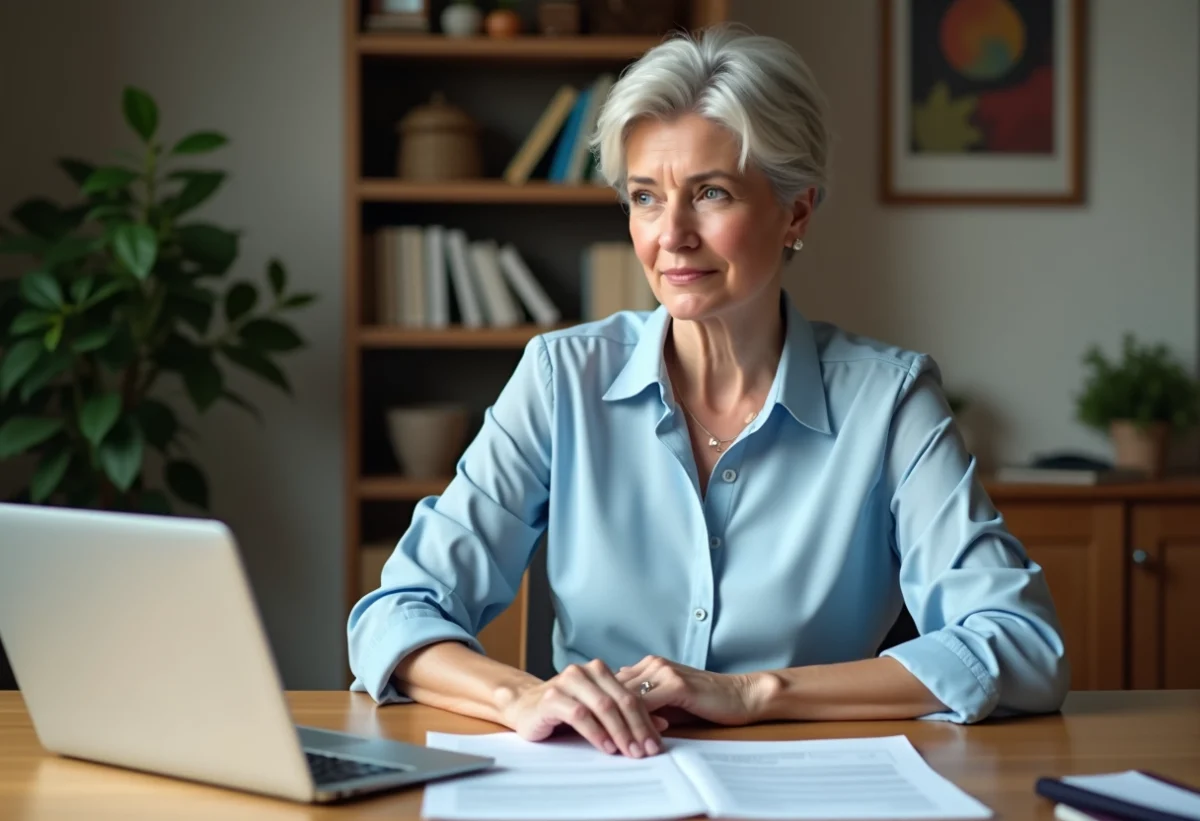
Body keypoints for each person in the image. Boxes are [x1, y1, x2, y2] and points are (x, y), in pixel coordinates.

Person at [347, 23, 1069, 760]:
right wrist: (521, 696)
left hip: (809, 789)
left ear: (797, 211)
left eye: (711, 193)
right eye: (646, 198)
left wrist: (755, 692)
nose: (672, 236)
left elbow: (1020, 643)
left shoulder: (889, 402)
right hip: (599, 786)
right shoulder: (561, 378)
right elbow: (396, 613)